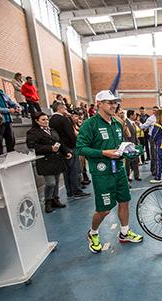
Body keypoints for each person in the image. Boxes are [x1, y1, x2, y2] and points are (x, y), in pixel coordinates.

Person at [75, 90, 144, 254]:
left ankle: (125, 233)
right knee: (104, 209)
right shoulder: (89, 124)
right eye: (109, 102)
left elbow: (120, 145)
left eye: (115, 102)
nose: (114, 105)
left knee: (124, 201)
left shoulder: (117, 123)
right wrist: (103, 153)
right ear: (99, 103)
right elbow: (80, 148)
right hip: (102, 173)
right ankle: (93, 234)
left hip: (119, 169)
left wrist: (129, 150)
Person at [26, 112, 71, 213]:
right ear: (36, 121)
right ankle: (48, 201)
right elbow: (32, 146)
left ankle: (55, 199)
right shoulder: (33, 132)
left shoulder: (52, 130)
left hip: (57, 159)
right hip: (45, 160)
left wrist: (66, 151)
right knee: (50, 183)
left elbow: (59, 143)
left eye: (47, 119)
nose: (46, 121)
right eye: (43, 120)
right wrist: (50, 148)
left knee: (56, 182)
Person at [49, 102, 90, 199]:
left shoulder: (51, 120)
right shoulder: (64, 119)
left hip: (61, 148)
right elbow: (70, 134)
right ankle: (76, 191)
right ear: (60, 108)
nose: (65, 110)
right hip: (70, 147)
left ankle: (70, 192)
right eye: (64, 108)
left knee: (66, 172)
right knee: (74, 170)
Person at [140, 106, 159, 176]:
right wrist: (139, 124)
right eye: (153, 110)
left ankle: (158, 169)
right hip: (153, 139)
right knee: (154, 154)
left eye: (156, 110)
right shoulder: (150, 119)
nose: (155, 111)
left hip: (160, 139)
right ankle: (153, 170)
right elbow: (143, 126)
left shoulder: (161, 117)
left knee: (159, 155)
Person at [125, 110, 141, 182]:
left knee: (136, 161)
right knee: (128, 163)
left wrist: (137, 142)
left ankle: (137, 176)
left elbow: (135, 135)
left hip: (134, 144)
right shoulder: (125, 123)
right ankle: (128, 177)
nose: (136, 116)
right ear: (131, 115)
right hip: (128, 146)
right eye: (134, 115)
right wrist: (128, 145)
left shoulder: (133, 123)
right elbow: (126, 136)